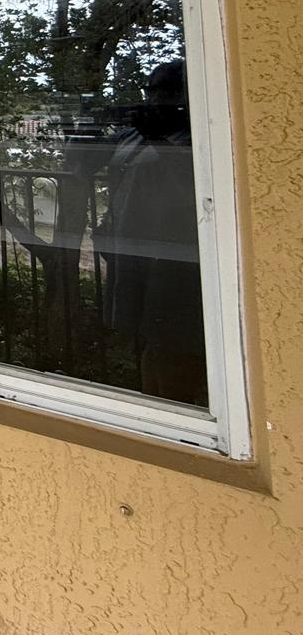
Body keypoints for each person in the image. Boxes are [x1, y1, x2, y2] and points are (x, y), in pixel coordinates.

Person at [100, 59, 207, 406]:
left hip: (176, 255)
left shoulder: (200, 133)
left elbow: (197, 186)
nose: (158, 98)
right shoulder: (135, 133)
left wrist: (158, 138)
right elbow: (92, 167)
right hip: (130, 248)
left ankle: (178, 412)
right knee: (143, 337)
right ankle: (151, 403)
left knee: (173, 342)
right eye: (153, 89)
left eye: (169, 90)